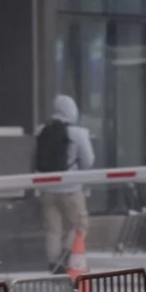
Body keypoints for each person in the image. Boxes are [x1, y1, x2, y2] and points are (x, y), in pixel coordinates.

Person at [34, 95, 95, 271]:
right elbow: (89, 160)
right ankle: (69, 254)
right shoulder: (78, 133)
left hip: (46, 188)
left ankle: (53, 263)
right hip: (71, 188)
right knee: (80, 225)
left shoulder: (41, 131)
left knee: (53, 229)